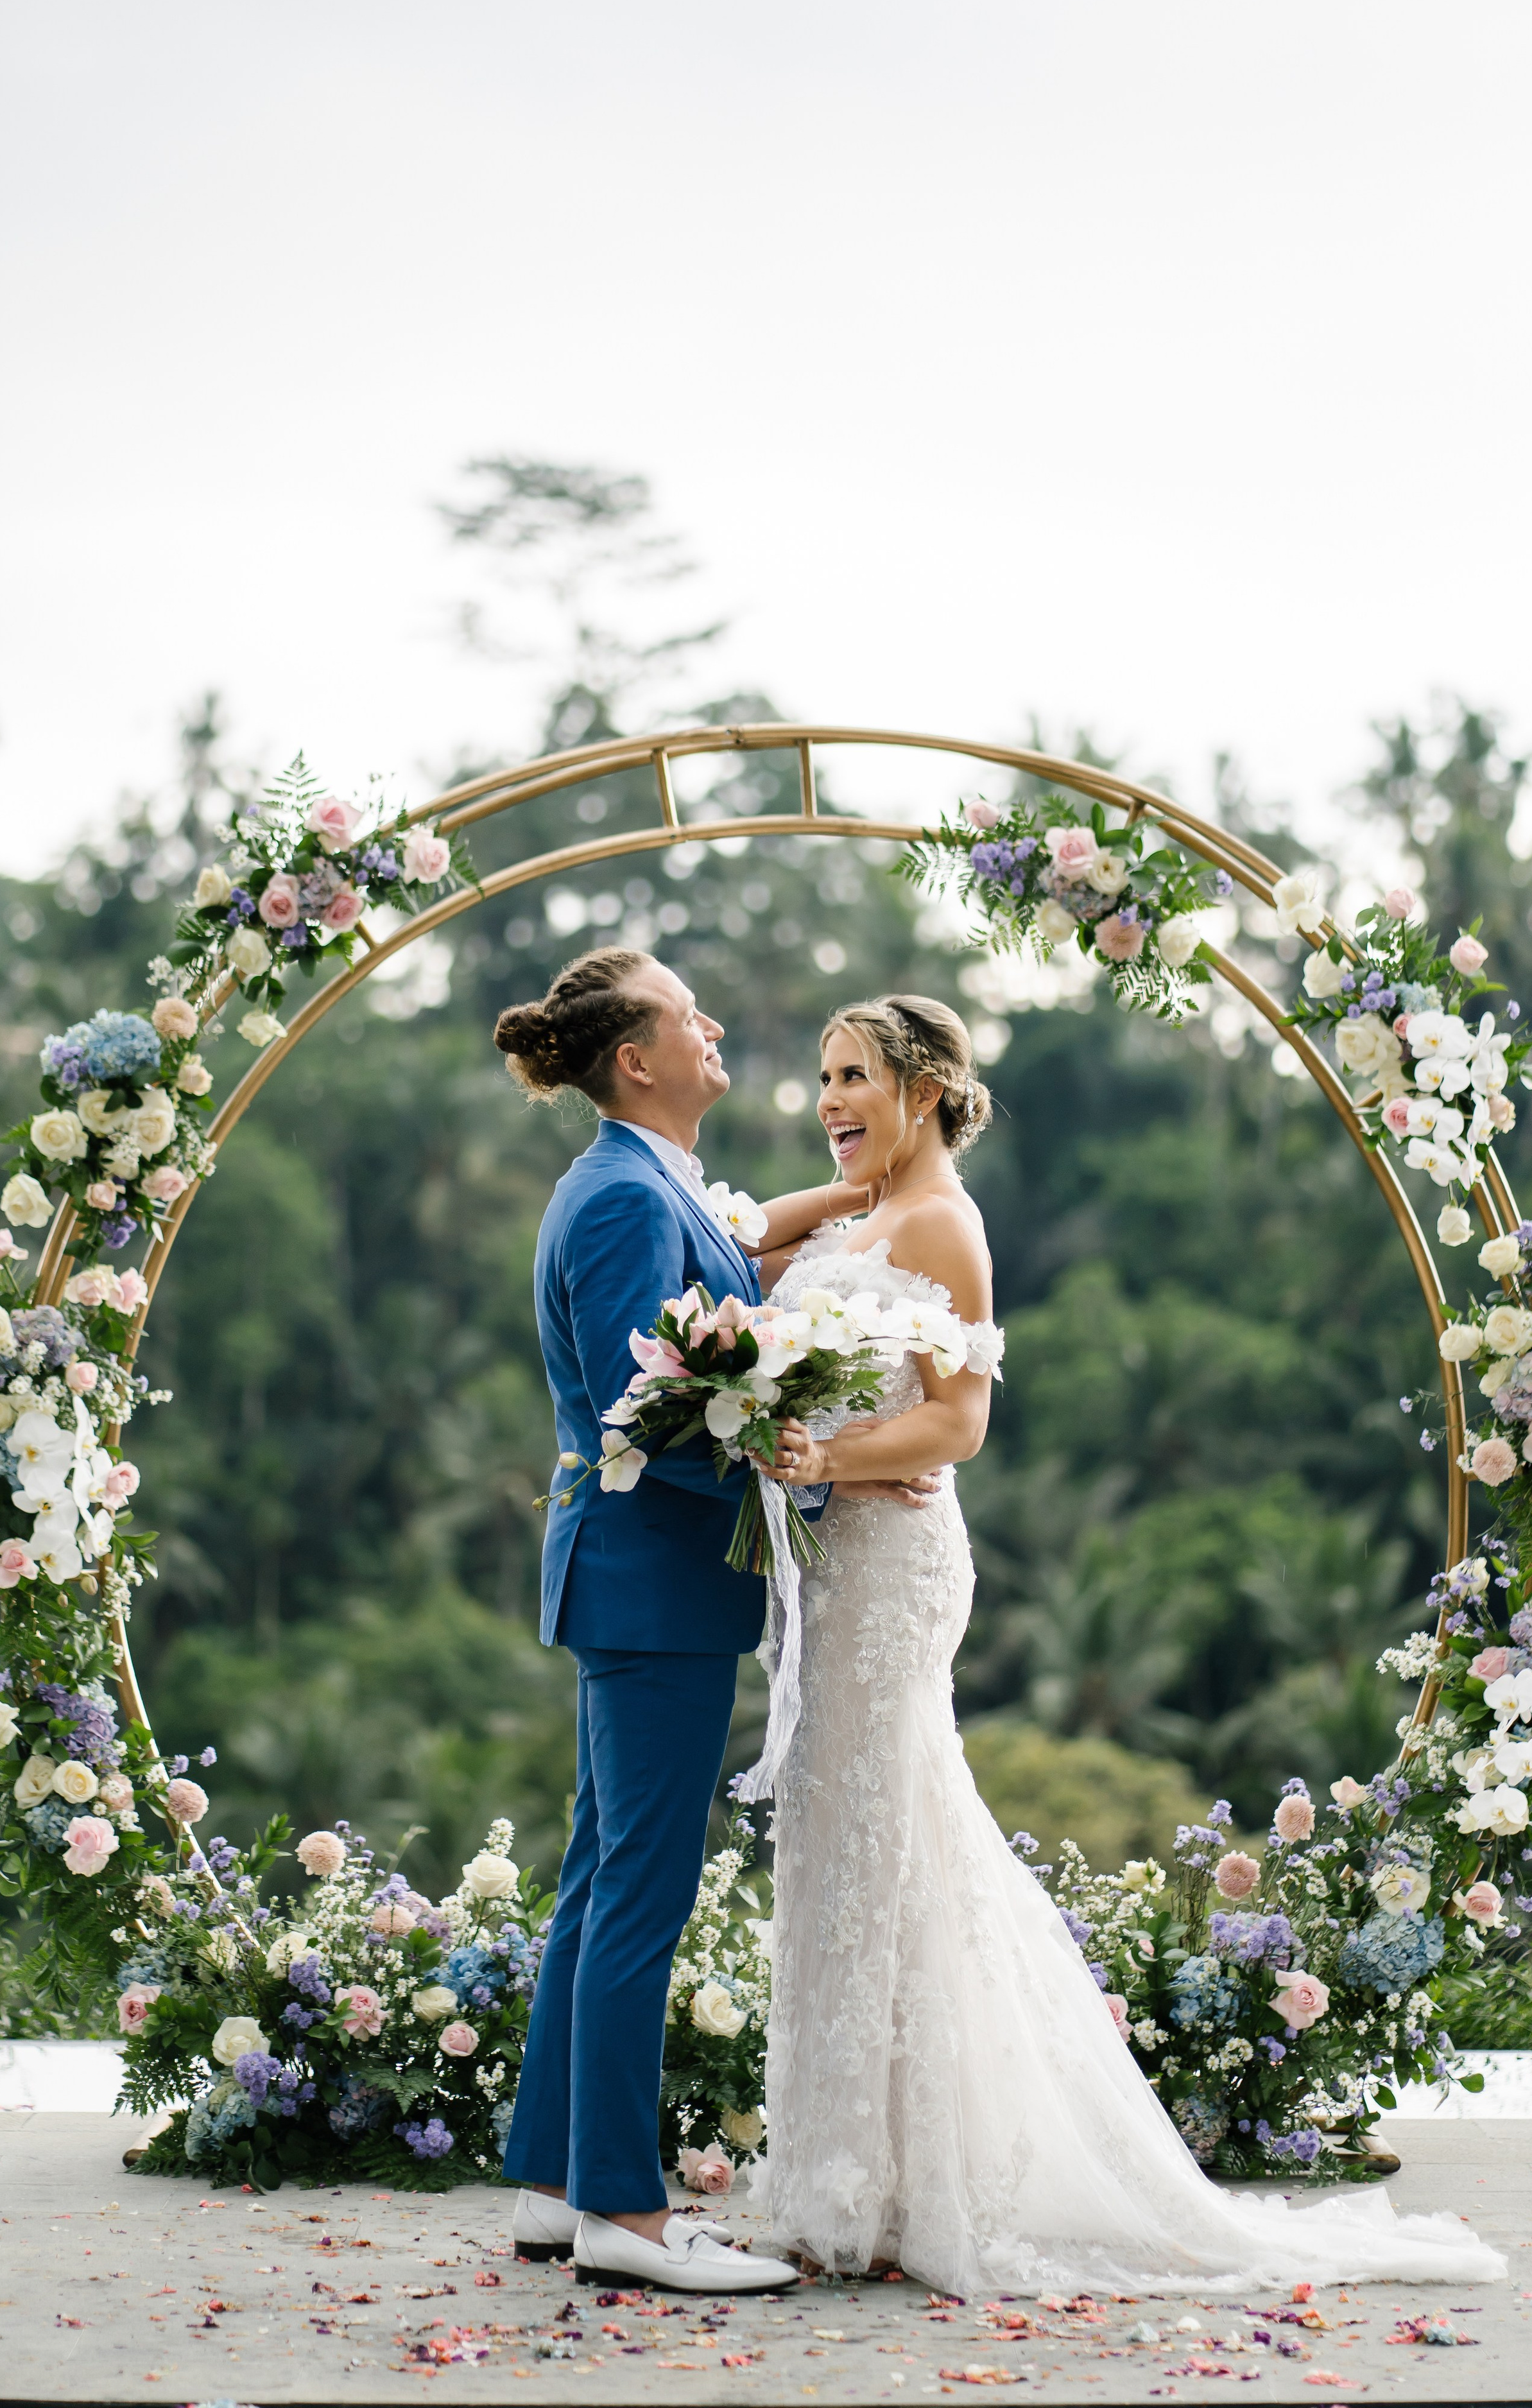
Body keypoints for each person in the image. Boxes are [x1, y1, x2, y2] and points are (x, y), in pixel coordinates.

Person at [743, 991, 1506, 2296]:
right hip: (836, 1570)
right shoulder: (870, 1212)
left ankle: (876, 2185)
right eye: (820, 1077)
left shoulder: (943, 1227)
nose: (826, 1102)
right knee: (846, 1843)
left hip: (893, 1572)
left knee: (871, 1842)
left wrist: (830, 1455)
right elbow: (747, 1237)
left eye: (853, 1076)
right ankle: (852, 2169)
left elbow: (958, 1426)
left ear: (920, 1089)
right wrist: (830, 1208)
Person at [492, 946, 936, 2295]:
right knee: (639, 1890)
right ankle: (623, 2220)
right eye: (691, 1016)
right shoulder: (624, 1198)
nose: (717, 1026)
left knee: (598, 1876)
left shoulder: (646, 1181)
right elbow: (655, 1406)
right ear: (637, 1059)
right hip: (655, 1579)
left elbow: (731, 1276)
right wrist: (795, 1451)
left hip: (641, 1577)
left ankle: (553, 2180)